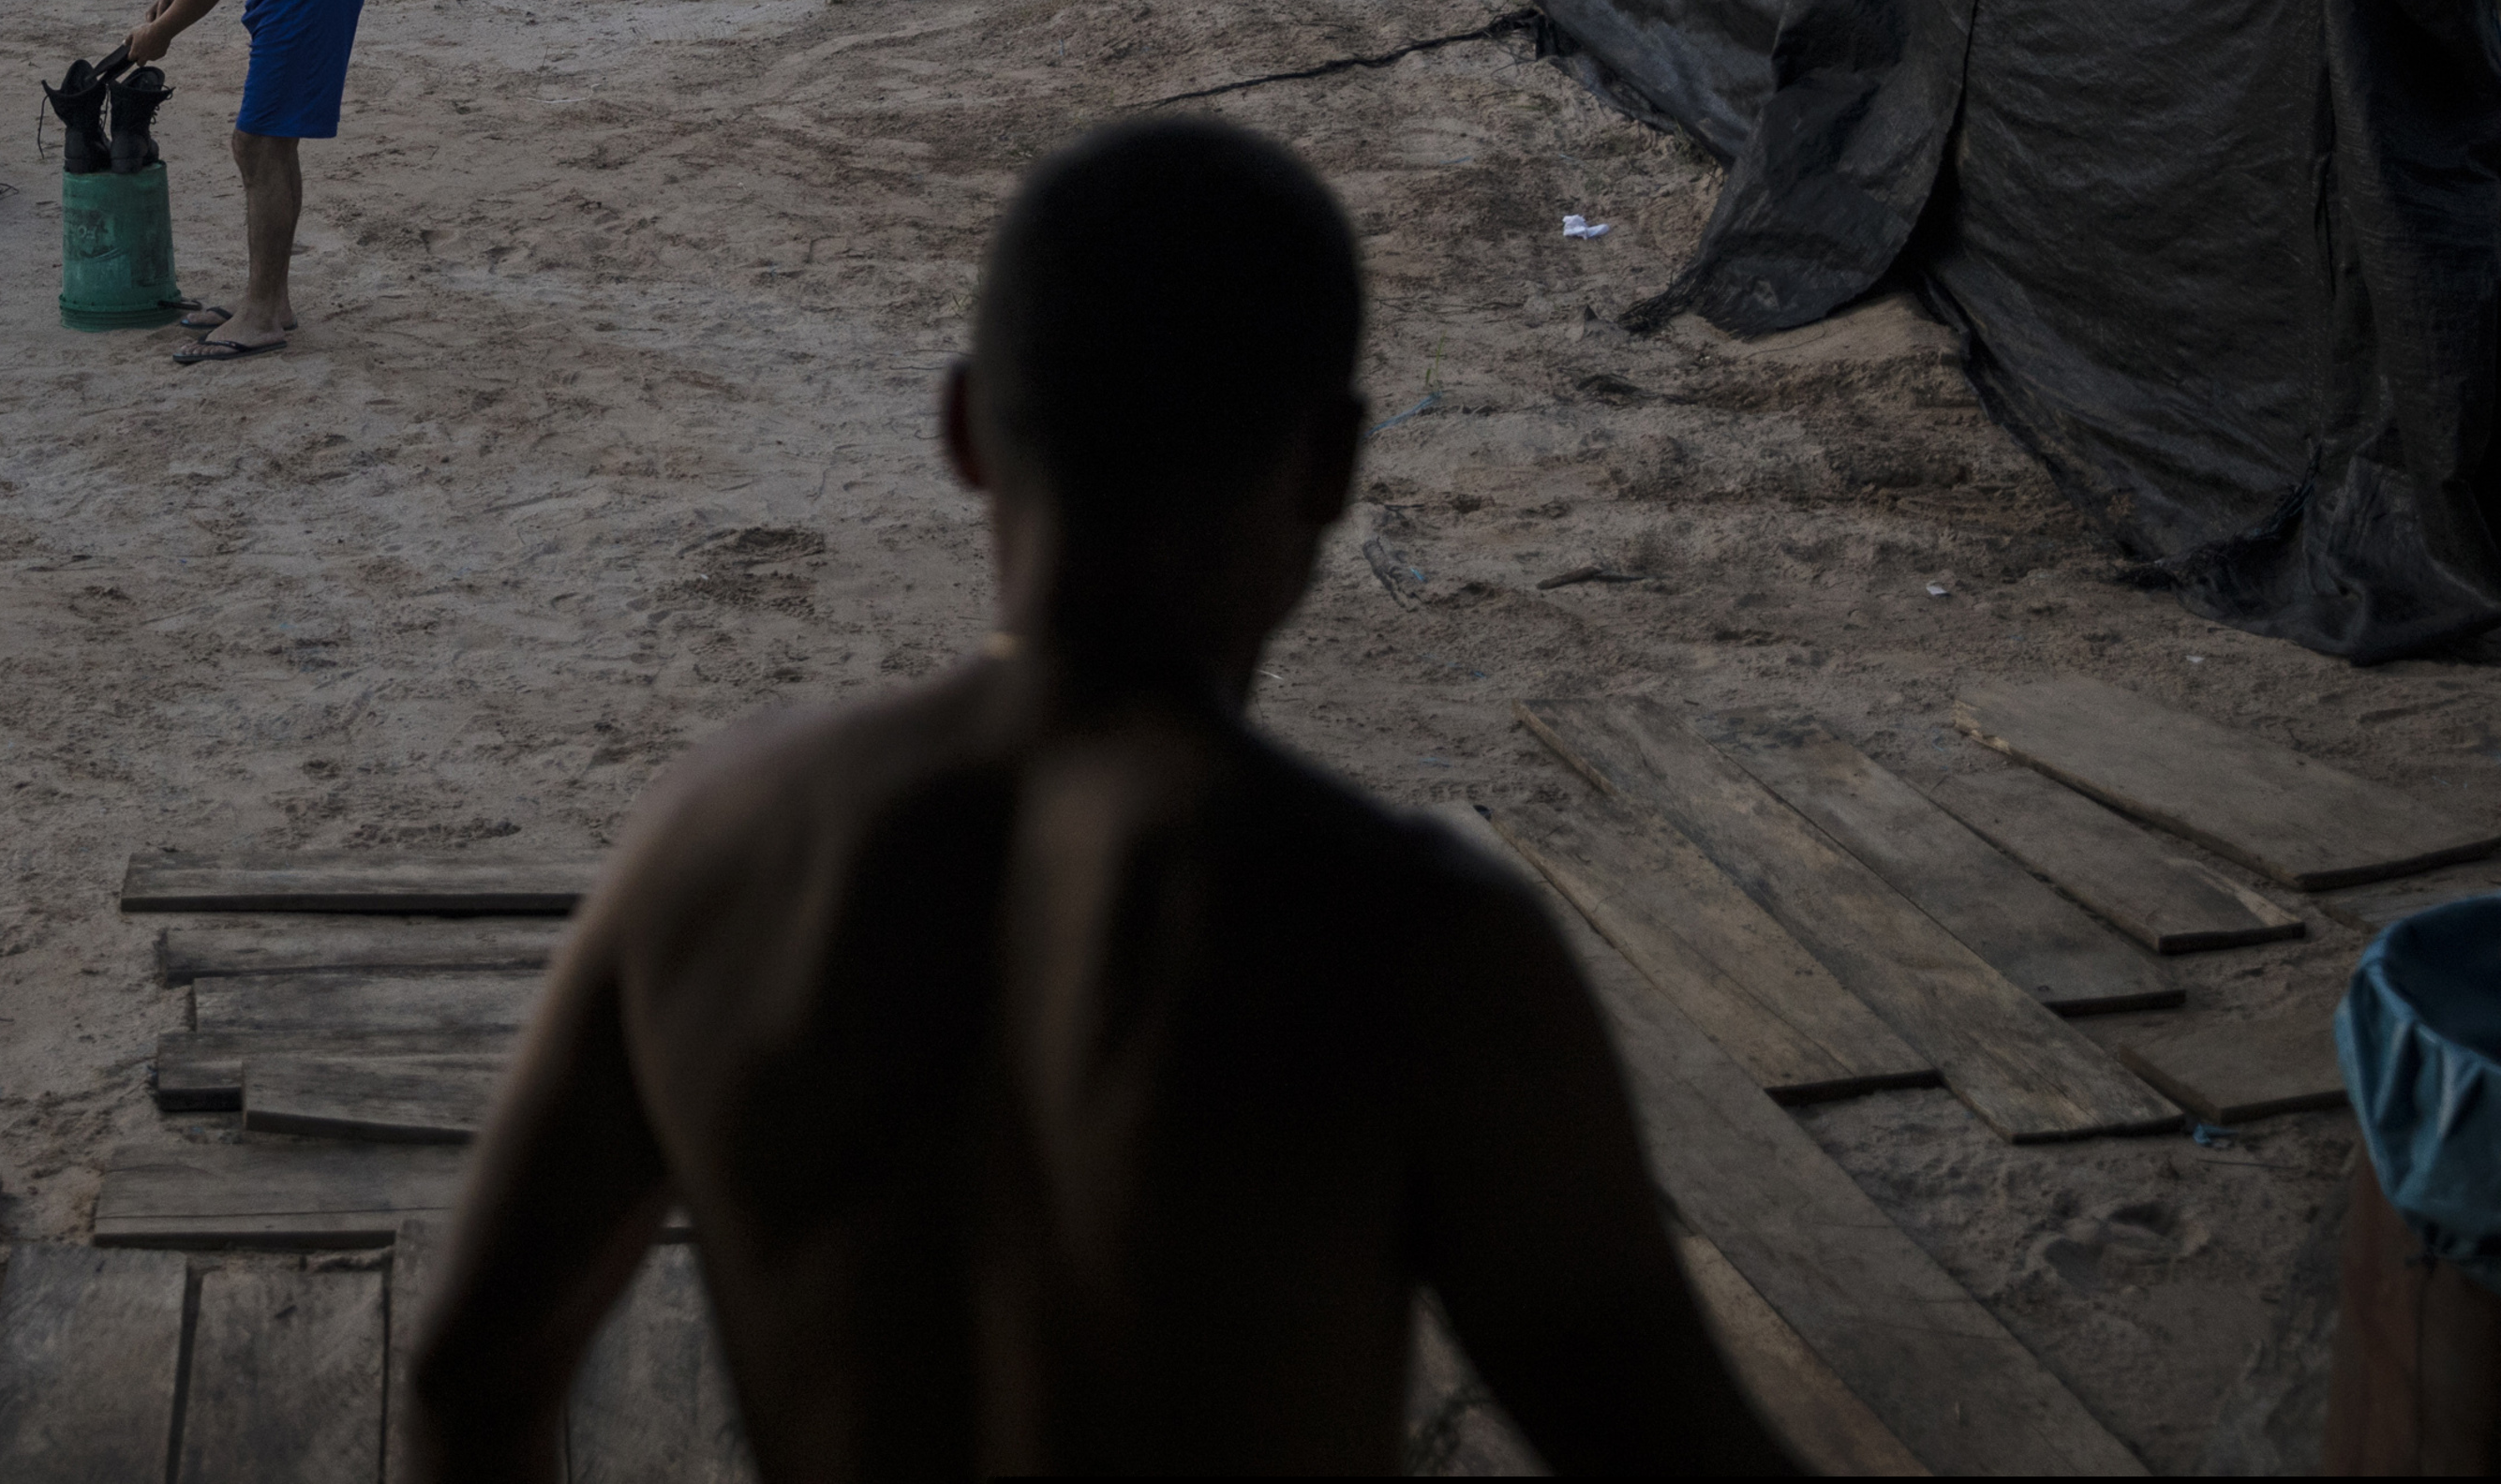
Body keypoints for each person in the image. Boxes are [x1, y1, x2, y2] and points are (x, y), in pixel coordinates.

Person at [403, 119, 1794, 1478]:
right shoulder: (1417, 943)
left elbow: (472, 1377)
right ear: (1332, 465)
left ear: (963, 429)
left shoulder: (715, 850)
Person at [116, 0, 364, 365]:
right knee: (270, 143)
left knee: (256, 144)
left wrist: (159, 34)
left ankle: (259, 315)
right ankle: (271, 301)